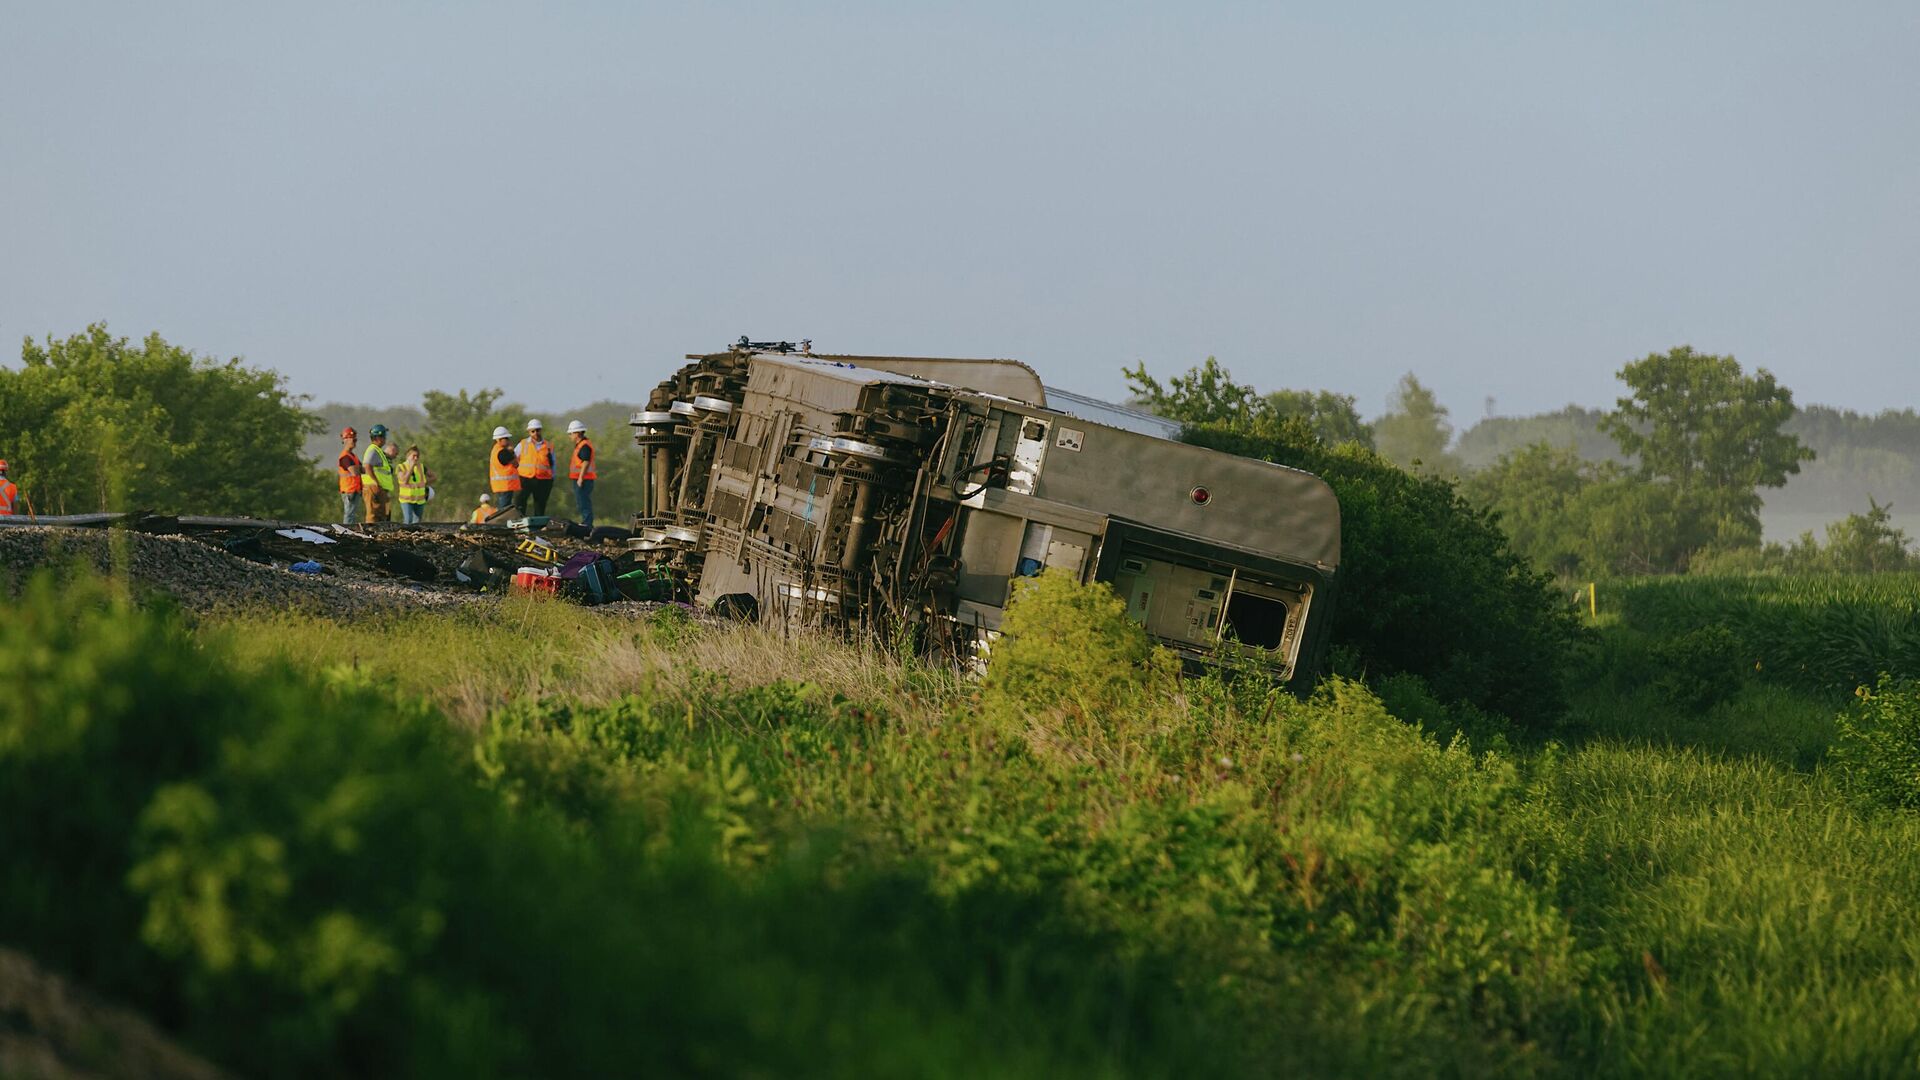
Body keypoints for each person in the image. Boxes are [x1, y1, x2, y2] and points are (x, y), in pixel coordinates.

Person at [515, 419, 556, 517]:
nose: (535, 433)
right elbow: (514, 458)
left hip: (544, 480)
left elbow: (553, 463)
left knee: (540, 504)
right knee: (520, 501)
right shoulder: (523, 444)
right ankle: (519, 521)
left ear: (541, 430)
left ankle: (539, 526)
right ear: (529, 432)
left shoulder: (549, 446)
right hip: (525, 478)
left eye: (537, 430)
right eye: (533, 431)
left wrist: (552, 477)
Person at [363, 423, 397, 523]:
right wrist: (376, 482)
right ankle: (369, 537)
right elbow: (367, 466)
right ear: (379, 437)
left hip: (378, 488)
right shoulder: (373, 450)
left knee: (381, 515)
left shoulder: (378, 451)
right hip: (373, 487)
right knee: (373, 515)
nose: (385, 439)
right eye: (384, 436)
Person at [395, 445, 437, 524]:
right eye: (413, 456)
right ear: (408, 456)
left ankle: (415, 535)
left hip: (420, 499)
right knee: (408, 520)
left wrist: (424, 482)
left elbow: (434, 477)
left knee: (417, 521)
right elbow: (405, 481)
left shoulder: (421, 467)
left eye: (417, 456)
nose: (416, 458)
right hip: (406, 499)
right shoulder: (401, 467)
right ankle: (405, 534)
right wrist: (411, 468)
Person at [566, 419, 596, 528]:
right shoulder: (581, 445)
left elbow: (586, 462)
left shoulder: (584, 446)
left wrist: (580, 478)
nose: (570, 436)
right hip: (583, 478)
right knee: (581, 502)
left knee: (584, 502)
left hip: (584, 479)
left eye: (570, 433)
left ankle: (587, 524)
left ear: (577, 433)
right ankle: (586, 522)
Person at [488, 425, 521, 512]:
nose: (509, 441)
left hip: (500, 485)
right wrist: (512, 452)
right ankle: (502, 524)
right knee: (504, 510)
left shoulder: (495, 450)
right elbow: (516, 464)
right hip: (506, 485)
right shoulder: (503, 452)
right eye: (506, 438)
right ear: (499, 439)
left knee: (503, 508)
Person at [337, 427, 365, 524]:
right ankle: (347, 532)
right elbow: (354, 471)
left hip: (355, 490)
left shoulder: (353, 456)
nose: (354, 442)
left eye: (355, 439)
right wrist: (358, 468)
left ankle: (349, 531)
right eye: (353, 439)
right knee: (349, 514)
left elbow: (363, 470)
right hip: (349, 491)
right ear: (346, 440)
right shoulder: (345, 457)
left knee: (352, 514)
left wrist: (358, 468)